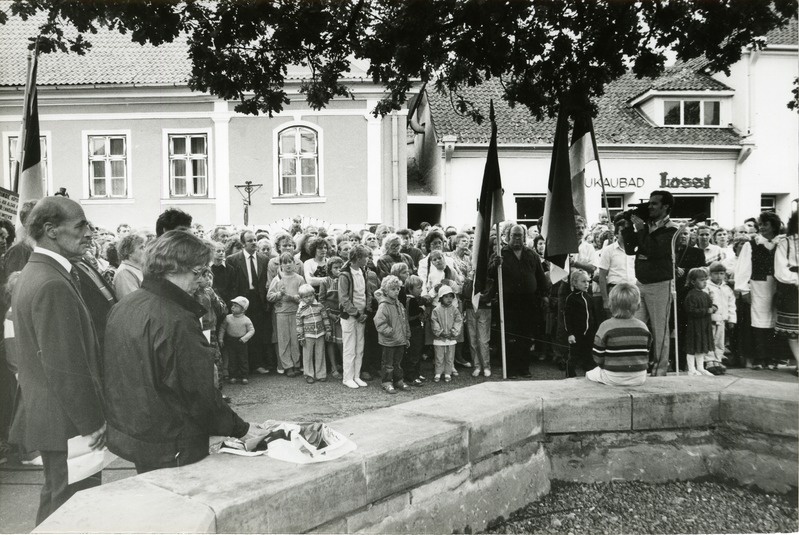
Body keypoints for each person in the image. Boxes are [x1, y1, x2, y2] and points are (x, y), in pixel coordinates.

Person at [103, 231, 255, 474]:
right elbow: (197, 392)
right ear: (171, 269)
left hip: (140, 434)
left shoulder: (126, 305)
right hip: (172, 441)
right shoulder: (177, 318)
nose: (202, 279)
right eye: (198, 272)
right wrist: (241, 429)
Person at [9, 197, 106, 525]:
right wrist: (93, 422)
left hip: (57, 417)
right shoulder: (51, 281)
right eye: (80, 225)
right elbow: (66, 367)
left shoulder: (42, 271)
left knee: (61, 501)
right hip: (69, 422)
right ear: (51, 230)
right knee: (70, 510)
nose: (89, 232)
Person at [622, 190, 679, 376]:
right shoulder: (646, 226)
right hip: (641, 283)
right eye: (649, 203)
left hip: (660, 285)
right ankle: (639, 366)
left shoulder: (671, 229)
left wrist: (641, 231)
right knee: (637, 326)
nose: (650, 207)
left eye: (654, 204)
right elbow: (630, 250)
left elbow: (652, 250)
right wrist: (629, 226)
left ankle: (660, 370)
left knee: (659, 330)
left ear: (665, 207)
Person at [489, 224, 549, 379]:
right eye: (514, 235)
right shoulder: (500, 253)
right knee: (510, 336)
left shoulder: (532, 254)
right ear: (508, 236)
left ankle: (524, 367)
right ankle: (511, 369)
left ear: (524, 237)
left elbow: (540, 276)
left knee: (526, 335)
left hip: (529, 301)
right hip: (508, 302)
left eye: (520, 236)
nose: (517, 238)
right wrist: (495, 264)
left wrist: (544, 295)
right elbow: (489, 274)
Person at [734, 211, 782, 369]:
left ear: (774, 226)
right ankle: (757, 358)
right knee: (755, 322)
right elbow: (743, 268)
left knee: (774, 321)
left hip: (776, 287)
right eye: (759, 224)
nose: (761, 227)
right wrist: (744, 289)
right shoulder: (751, 244)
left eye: (765, 224)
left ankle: (771, 357)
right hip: (757, 286)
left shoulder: (781, 244)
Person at [587, 283, 651, 387]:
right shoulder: (643, 326)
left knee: (589, 375)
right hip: (639, 377)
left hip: (613, 376)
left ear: (610, 305)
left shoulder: (605, 326)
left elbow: (597, 356)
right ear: (638, 306)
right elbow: (646, 352)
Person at [228, 230, 272, 375]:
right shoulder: (233, 260)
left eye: (254, 240)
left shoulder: (264, 259)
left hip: (258, 300)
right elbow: (232, 283)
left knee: (257, 332)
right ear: (243, 243)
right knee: (241, 332)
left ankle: (258, 363)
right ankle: (242, 367)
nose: (253, 242)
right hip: (241, 299)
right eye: (250, 240)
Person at [338, 245, 373, 389]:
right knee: (349, 347)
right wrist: (357, 314)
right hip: (350, 316)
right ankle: (347, 377)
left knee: (360, 347)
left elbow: (366, 292)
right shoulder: (344, 275)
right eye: (365, 256)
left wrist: (366, 310)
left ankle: (356, 375)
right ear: (357, 258)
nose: (368, 259)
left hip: (362, 315)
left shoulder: (363, 271)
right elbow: (344, 299)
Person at [267, 252, 304, 377]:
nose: (288, 265)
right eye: (285, 262)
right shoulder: (277, 279)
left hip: (295, 312)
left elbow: (304, 296)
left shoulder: (299, 278)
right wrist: (279, 295)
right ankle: (288, 365)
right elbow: (269, 296)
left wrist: (293, 297)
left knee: (295, 339)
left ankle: (297, 364)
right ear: (281, 265)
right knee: (284, 340)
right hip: (281, 313)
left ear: (294, 263)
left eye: (290, 262)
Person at [373, 275, 412, 394]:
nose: (396, 292)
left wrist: (407, 335)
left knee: (397, 363)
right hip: (389, 340)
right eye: (393, 289)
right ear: (386, 290)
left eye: (398, 289)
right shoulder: (384, 305)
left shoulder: (399, 304)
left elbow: (404, 321)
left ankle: (398, 380)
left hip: (400, 340)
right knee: (388, 363)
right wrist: (389, 331)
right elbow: (379, 322)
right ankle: (387, 382)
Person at [774, 211, 799, 375]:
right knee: (794, 330)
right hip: (792, 289)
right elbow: (780, 270)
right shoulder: (785, 243)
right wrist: (796, 279)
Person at [596, 220, 636, 319]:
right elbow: (602, 276)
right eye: (622, 231)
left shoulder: (636, 249)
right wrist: (605, 300)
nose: (625, 234)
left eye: (628, 231)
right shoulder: (608, 250)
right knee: (615, 321)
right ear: (616, 234)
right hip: (615, 290)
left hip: (633, 290)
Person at [296, 284, 332, 384]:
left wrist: (328, 330)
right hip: (307, 336)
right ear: (301, 298)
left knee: (320, 354)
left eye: (311, 295)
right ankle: (308, 374)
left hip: (320, 334)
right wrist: (301, 337)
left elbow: (325, 318)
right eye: (306, 297)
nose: (309, 298)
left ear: (314, 295)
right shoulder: (301, 309)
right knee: (307, 356)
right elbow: (299, 324)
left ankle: (321, 374)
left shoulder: (320, 306)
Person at [683, 267, 716, 376]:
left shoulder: (705, 294)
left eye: (706, 280)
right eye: (702, 280)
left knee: (701, 346)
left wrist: (713, 305)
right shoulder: (691, 295)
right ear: (693, 282)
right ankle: (691, 369)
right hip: (695, 325)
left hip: (704, 325)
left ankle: (700, 367)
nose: (705, 282)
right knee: (692, 347)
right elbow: (691, 310)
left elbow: (710, 307)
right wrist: (706, 310)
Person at [564, 269, 595, 378]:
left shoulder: (589, 297)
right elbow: (567, 317)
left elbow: (593, 316)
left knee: (588, 355)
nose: (586, 284)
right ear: (574, 283)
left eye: (588, 281)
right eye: (583, 281)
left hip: (589, 333)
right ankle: (570, 376)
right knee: (574, 356)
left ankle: (590, 375)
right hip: (576, 334)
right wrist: (570, 333)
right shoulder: (571, 299)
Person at [707, 261, 735, 373]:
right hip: (711, 319)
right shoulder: (708, 287)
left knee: (720, 341)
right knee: (710, 340)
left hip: (722, 319)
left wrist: (732, 319)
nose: (719, 276)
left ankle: (718, 360)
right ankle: (709, 361)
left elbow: (731, 305)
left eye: (721, 273)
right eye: (716, 274)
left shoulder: (726, 289)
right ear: (710, 274)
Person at [319, 256, 345, 379]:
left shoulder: (345, 280)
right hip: (330, 315)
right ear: (330, 269)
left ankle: (345, 366)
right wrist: (330, 314)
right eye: (335, 268)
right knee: (330, 343)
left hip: (342, 315)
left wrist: (342, 313)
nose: (338, 270)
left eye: (340, 267)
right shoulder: (325, 281)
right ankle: (334, 368)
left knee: (341, 342)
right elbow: (322, 300)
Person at [219, 296, 255, 385]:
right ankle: (232, 376)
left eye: (236, 306)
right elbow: (222, 328)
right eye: (232, 305)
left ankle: (244, 376)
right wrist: (220, 338)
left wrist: (244, 338)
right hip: (230, 340)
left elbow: (251, 330)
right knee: (232, 359)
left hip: (241, 341)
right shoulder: (228, 318)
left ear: (243, 310)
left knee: (243, 359)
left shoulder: (246, 320)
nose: (233, 307)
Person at [430, 285, 462, 383]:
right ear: (440, 298)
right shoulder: (436, 310)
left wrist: (453, 332)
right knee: (439, 356)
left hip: (451, 338)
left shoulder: (455, 310)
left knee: (450, 356)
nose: (449, 299)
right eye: (446, 296)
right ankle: (438, 372)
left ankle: (448, 373)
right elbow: (434, 322)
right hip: (440, 338)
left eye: (450, 296)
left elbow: (458, 321)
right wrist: (440, 332)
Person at [403, 275, 428, 386]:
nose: (421, 289)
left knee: (416, 353)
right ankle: (411, 376)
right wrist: (421, 310)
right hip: (413, 329)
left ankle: (416, 374)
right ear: (410, 288)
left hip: (416, 328)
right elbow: (410, 316)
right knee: (414, 353)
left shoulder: (411, 299)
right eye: (418, 287)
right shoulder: (411, 300)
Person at [113, 232, 145, 298]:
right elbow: (133, 302)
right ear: (129, 252)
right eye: (141, 248)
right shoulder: (124, 273)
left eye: (144, 247)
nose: (145, 250)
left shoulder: (136, 268)